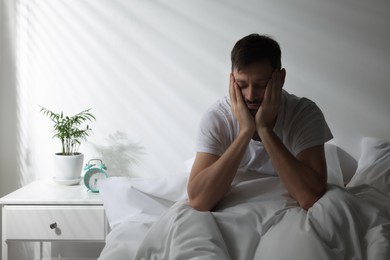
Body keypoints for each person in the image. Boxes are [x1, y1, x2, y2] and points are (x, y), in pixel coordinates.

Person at [187, 33, 333, 211]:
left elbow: (310, 197)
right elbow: (198, 201)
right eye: (241, 85)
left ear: (280, 78)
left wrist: (264, 129)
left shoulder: (304, 113)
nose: (250, 96)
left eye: (261, 84)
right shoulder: (217, 117)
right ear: (231, 79)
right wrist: (246, 132)